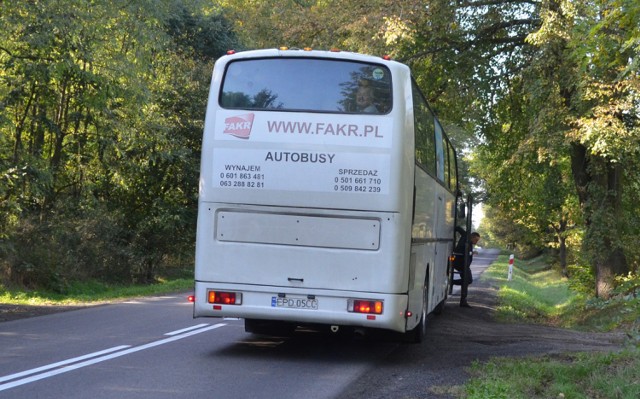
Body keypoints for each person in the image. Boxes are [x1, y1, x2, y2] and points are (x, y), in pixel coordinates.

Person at [452, 227, 481, 308]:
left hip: (463, 264)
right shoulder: (466, 237)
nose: (476, 242)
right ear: (472, 237)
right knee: (468, 280)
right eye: (476, 240)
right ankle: (452, 282)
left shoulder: (469, 241)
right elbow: (457, 227)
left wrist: (471, 252)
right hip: (460, 263)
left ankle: (463, 301)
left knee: (466, 281)